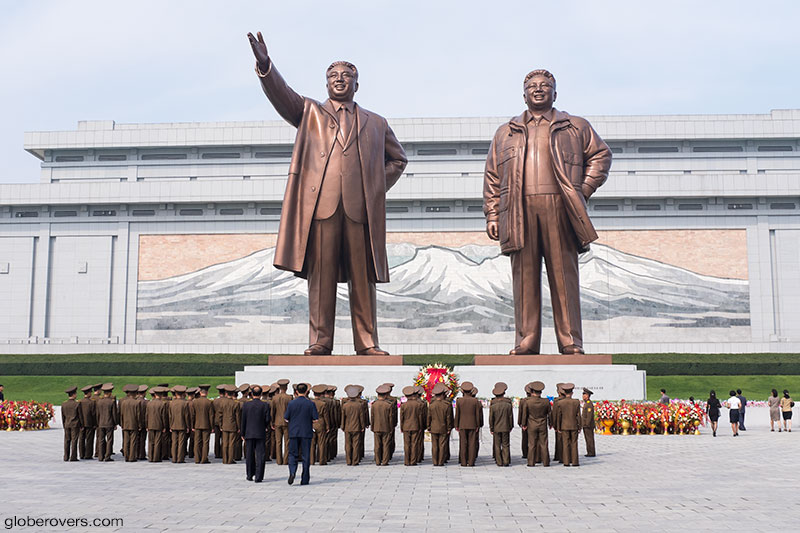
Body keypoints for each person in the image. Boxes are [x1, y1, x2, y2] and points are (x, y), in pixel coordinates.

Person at [247, 31, 407, 357]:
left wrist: (373, 188)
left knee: (363, 279)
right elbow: (283, 95)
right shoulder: (310, 114)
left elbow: (398, 160)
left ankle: (367, 342)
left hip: (359, 211)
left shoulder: (376, 123)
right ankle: (321, 340)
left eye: (346, 76)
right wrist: (266, 66)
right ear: (326, 84)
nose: (339, 80)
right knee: (321, 279)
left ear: (356, 85)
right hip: (321, 208)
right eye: (333, 76)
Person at [483, 69, 612, 355]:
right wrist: (493, 214)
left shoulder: (575, 126)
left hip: (560, 207)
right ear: (524, 93)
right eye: (532, 86)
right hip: (518, 209)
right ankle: (526, 340)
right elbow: (493, 175)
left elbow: (601, 155)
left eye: (545, 86)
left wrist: (583, 189)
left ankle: (570, 340)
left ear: (555, 93)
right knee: (524, 278)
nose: (538, 89)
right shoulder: (506, 132)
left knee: (564, 275)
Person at [284, 383, 319, 485]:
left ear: (296, 392)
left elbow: (286, 418)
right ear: (307, 391)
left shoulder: (291, 404)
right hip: (306, 432)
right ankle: (305, 478)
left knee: (292, 454)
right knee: (306, 456)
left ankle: (292, 472)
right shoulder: (310, 404)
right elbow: (316, 419)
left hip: (294, 432)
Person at [240, 385, 271, 482]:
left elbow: (243, 420)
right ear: (261, 394)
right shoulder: (265, 405)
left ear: (252, 394)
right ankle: (259, 476)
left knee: (249, 455)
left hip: (249, 432)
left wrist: (242, 433)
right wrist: (265, 426)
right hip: (260, 432)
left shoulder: (246, 405)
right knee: (260, 455)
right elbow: (267, 419)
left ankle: (249, 474)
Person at [520, 381, 550, 466]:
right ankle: (546, 462)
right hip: (543, 424)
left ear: (532, 392)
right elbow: (549, 413)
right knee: (544, 443)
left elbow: (525, 414)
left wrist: (524, 424)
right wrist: (550, 423)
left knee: (531, 444)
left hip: (531, 424)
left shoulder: (528, 402)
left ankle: (531, 462)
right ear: (541, 392)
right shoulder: (546, 401)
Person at [454, 381, 483, 467]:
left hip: (462, 424)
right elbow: (477, 414)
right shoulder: (475, 401)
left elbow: (457, 414)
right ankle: (471, 462)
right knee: (472, 444)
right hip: (473, 424)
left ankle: (463, 462)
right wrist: (478, 425)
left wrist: (456, 425)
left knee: (463, 443)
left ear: (462, 391)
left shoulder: (459, 401)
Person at [553, 383, 581, 467]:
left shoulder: (560, 403)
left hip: (564, 426)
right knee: (574, 443)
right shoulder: (576, 402)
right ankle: (575, 461)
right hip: (574, 425)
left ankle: (566, 462)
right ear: (572, 393)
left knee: (565, 443)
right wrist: (580, 426)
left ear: (564, 393)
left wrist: (558, 427)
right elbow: (578, 415)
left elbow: (559, 416)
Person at [340, 385, 368, 466]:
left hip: (347, 427)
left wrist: (343, 426)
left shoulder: (345, 405)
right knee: (356, 444)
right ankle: (355, 461)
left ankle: (348, 460)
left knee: (348, 444)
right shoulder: (359, 405)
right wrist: (362, 426)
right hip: (357, 427)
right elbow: (361, 417)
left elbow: (343, 417)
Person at [427, 383, 453, 467]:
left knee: (434, 445)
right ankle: (441, 461)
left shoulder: (431, 405)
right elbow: (448, 418)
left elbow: (429, 417)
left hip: (434, 427)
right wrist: (449, 428)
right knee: (442, 445)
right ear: (442, 395)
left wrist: (428, 426)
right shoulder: (446, 405)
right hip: (443, 427)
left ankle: (435, 461)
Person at [370, 384, 395, 466]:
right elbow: (390, 417)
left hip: (376, 427)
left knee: (377, 445)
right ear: (385, 395)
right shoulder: (388, 405)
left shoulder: (374, 405)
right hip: (386, 427)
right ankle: (385, 461)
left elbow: (372, 417)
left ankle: (377, 461)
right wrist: (391, 427)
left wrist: (372, 427)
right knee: (386, 444)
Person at [400, 386, 425, 466]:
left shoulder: (404, 405)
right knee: (414, 444)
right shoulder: (418, 404)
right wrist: (421, 426)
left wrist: (401, 427)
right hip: (416, 426)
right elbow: (420, 417)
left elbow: (402, 418)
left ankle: (406, 461)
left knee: (407, 444)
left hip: (406, 427)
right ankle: (413, 461)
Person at [191, 384, 215, 463]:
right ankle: (204, 459)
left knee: (197, 442)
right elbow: (211, 415)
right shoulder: (209, 402)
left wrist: (192, 425)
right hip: (206, 425)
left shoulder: (194, 402)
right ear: (207, 393)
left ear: (200, 392)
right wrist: (212, 427)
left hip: (197, 425)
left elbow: (192, 415)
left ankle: (197, 459)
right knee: (205, 442)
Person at [271, 379, 293, 465]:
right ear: (286, 388)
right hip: (287, 422)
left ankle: (279, 460)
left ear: (279, 388)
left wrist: (272, 422)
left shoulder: (274, 398)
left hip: (277, 422)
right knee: (287, 442)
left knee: (278, 442)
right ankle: (285, 460)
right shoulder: (289, 398)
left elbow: (272, 411)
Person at [95, 383, 119, 461]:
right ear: (110, 393)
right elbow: (114, 414)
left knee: (101, 440)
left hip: (101, 423)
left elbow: (97, 413)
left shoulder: (99, 401)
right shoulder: (111, 402)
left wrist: (98, 422)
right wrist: (115, 423)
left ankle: (100, 456)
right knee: (109, 440)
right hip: (109, 423)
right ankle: (107, 456)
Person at [119, 384, 141, 462]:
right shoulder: (136, 403)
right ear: (135, 393)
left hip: (125, 424)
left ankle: (126, 456)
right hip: (134, 424)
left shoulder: (124, 402)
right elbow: (138, 415)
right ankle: (132, 457)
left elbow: (121, 414)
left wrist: (121, 423)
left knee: (126, 441)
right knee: (133, 441)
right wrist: (139, 425)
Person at [146, 387, 168, 462]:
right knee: (157, 441)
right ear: (161, 395)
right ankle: (156, 458)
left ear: (155, 394)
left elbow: (147, 415)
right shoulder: (162, 404)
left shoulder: (149, 403)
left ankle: (150, 457)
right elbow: (163, 416)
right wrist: (164, 426)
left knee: (151, 442)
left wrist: (147, 425)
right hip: (159, 425)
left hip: (150, 425)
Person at [61, 387, 81, 462]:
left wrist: (64, 424)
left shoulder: (64, 404)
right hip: (75, 424)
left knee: (67, 440)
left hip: (67, 424)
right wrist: (81, 424)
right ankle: (73, 456)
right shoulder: (77, 404)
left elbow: (63, 416)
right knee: (74, 440)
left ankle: (66, 456)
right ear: (74, 394)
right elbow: (80, 415)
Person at [77, 385, 97, 460]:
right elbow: (93, 414)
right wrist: (95, 423)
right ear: (88, 393)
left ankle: (81, 454)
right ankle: (88, 454)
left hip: (81, 423)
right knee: (89, 439)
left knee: (81, 439)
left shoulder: (80, 402)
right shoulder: (92, 402)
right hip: (90, 423)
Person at [581, 388, 596, 457]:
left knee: (589, 439)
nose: (583, 396)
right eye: (583, 395)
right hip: (586, 424)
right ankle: (589, 451)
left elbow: (589, 416)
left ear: (588, 396)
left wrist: (586, 424)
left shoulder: (589, 404)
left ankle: (591, 452)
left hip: (588, 425)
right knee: (587, 439)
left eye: (585, 395)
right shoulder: (586, 403)